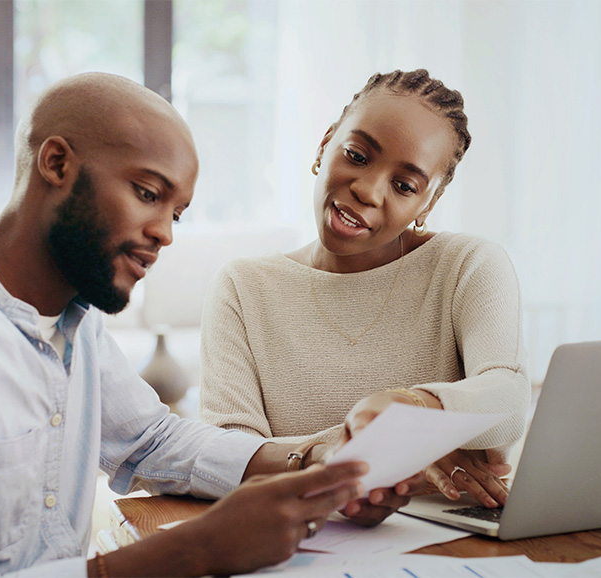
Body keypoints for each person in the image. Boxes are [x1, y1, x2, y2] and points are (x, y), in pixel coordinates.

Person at [0, 72, 398, 578]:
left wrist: (313, 462)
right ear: (56, 163)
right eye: (149, 194)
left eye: (177, 213)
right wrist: (195, 549)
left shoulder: (72, 312)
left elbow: (149, 438)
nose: (164, 234)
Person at [199, 69, 531, 520]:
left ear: (428, 204)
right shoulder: (242, 288)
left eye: (405, 186)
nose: (367, 190)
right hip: (299, 548)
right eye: (356, 155)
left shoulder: (467, 264)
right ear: (325, 144)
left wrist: (412, 408)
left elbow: (508, 399)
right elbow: (228, 457)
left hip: (444, 551)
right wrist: (402, 450)